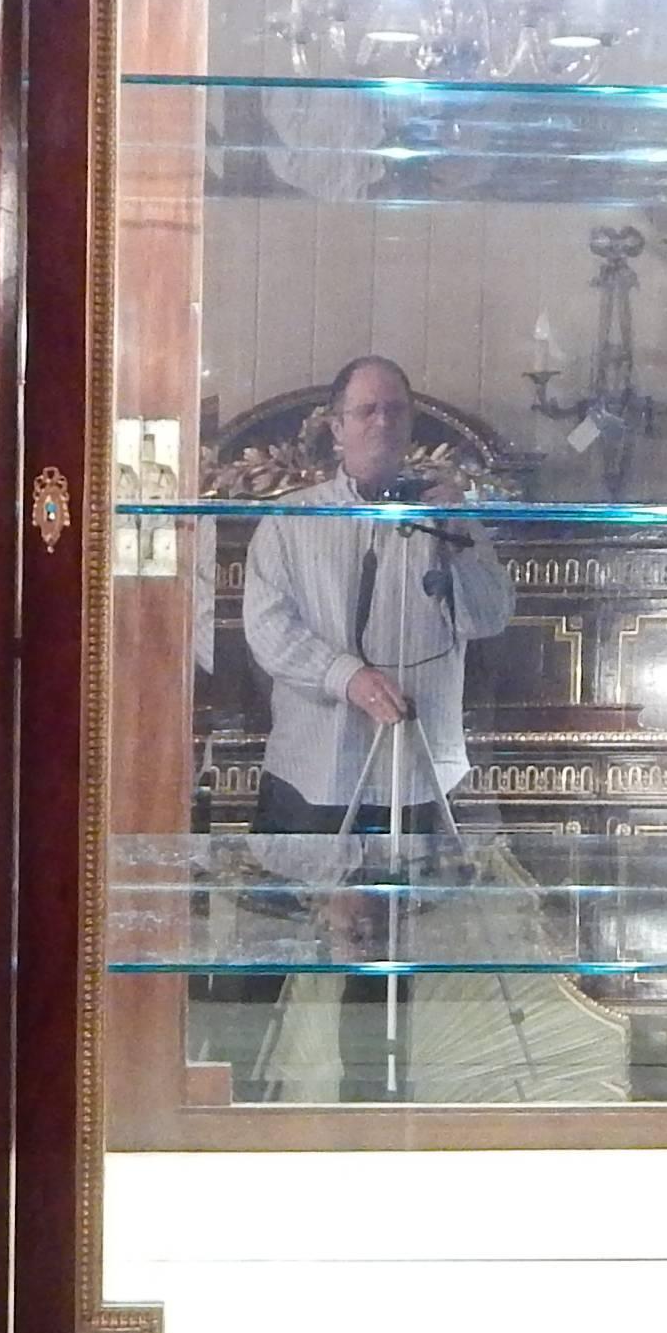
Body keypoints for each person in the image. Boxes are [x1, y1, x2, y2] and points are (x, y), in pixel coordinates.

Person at [234, 352, 512, 1099]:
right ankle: (250, 1102)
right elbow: (267, 629)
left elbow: (488, 619)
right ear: (335, 427)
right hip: (314, 770)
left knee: (389, 950)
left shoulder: (447, 518)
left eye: (396, 410)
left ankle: (378, 1102)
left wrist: (461, 528)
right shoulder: (291, 522)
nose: (382, 423)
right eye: (366, 411)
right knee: (281, 942)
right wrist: (346, 676)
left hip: (413, 770)